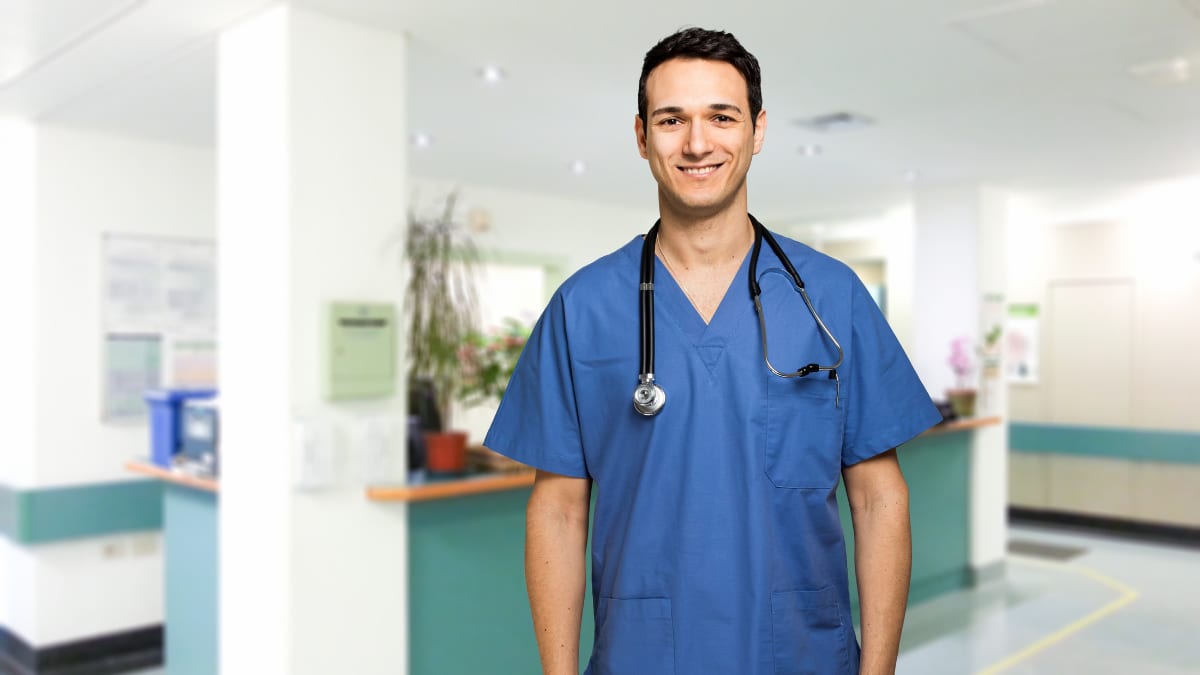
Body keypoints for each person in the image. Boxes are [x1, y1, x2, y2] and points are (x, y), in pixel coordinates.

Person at [484, 27, 941, 675]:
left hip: (803, 655)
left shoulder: (830, 298)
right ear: (642, 137)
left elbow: (878, 497)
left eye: (720, 117)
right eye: (672, 119)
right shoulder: (582, 308)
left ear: (757, 130)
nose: (698, 142)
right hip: (643, 658)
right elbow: (557, 508)